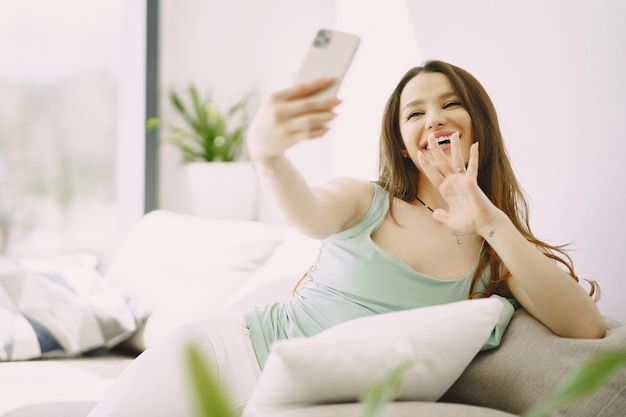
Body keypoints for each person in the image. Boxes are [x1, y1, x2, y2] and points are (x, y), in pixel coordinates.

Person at [87, 60, 606, 417]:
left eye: (451, 104)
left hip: (298, 396)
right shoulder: (367, 200)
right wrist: (268, 156)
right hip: (231, 353)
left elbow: (583, 326)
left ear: (477, 125)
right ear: (404, 144)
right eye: (415, 112)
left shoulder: (497, 249)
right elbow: (309, 214)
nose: (435, 118)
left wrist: (490, 220)